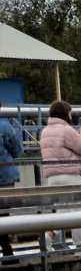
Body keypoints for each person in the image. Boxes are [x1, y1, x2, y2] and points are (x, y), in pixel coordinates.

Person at [39, 100, 81, 248]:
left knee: (61, 212)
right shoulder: (65, 129)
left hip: (53, 178)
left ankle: (48, 236)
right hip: (70, 175)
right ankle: (80, 247)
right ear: (64, 113)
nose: (71, 115)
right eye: (70, 112)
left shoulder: (45, 131)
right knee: (78, 211)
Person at [0, 109, 21, 260]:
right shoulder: (5, 126)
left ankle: (7, 251)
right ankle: (7, 252)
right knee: (3, 216)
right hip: (5, 177)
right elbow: (17, 149)